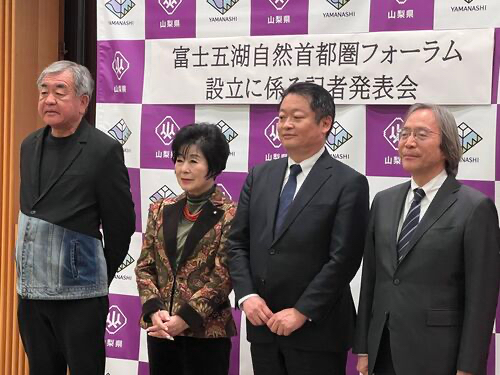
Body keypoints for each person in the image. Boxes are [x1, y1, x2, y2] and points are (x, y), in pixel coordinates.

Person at [227, 82, 370, 375]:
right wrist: (246, 296)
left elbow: (344, 259)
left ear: (325, 123)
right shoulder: (260, 175)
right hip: (263, 324)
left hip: (318, 331)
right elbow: (237, 243)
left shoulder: (348, 183)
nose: (286, 125)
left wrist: (302, 311)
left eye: (297, 116)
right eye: (281, 117)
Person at [354, 104, 500, 375]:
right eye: (404, 133)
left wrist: (468, 367)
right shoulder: (383, 201)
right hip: (384, 350)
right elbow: (371, 279)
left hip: (439, 355)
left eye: (421, 135)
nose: (408, 142)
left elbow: (481, 299)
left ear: (446, 146)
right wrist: (363, 346)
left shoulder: (474, 207)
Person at [15, 60, 135, 375]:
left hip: (80, 298)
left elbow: (121, 226)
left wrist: (94, 277)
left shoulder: (102, 150)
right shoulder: (29, 145)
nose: (49, 99)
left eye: (59, 92)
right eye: (44, 92)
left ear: (83, 102)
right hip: (31, 294)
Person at [135, 123, 237, 375]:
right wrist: (155, 310)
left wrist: (184, 319)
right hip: (161, 330)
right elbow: (145, 266)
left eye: (194, 161)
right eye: (179, 160)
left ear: (214, 166)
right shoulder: (160, 209)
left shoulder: (231, 213)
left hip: (205, 333)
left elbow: (223, 276)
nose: (184, 169)